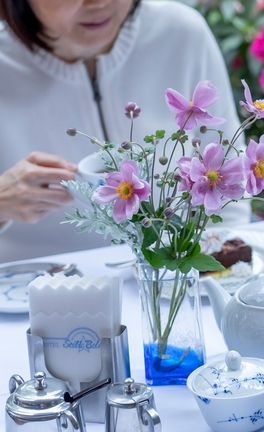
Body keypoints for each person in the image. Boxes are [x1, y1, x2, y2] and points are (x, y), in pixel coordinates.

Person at [0, 0, 247, 263]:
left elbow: (230, 175)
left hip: (175, 281)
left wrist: (221, 270)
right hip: (31, 290)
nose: (99, 3)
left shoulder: (181, 33)